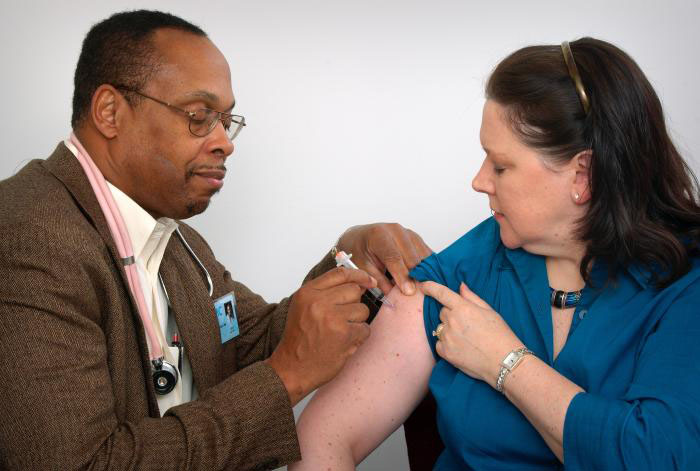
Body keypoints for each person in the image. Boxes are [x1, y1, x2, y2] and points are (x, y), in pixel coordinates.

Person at [0, 10, 432, 470]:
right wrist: (285, 379)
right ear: (109, 112)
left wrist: (349, 265)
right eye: (200, 116)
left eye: (227, 120)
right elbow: (83, 464)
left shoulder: (176, 240)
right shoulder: (28, 239)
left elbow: (250, 341)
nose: (226, 142)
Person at [291, 37, 700, 470]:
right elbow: (324, 435)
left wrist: (505, 362)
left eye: (501, 166)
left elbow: (657, 458)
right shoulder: (468, 267)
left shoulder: (683, 282)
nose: (479, 180)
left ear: (583, 175)